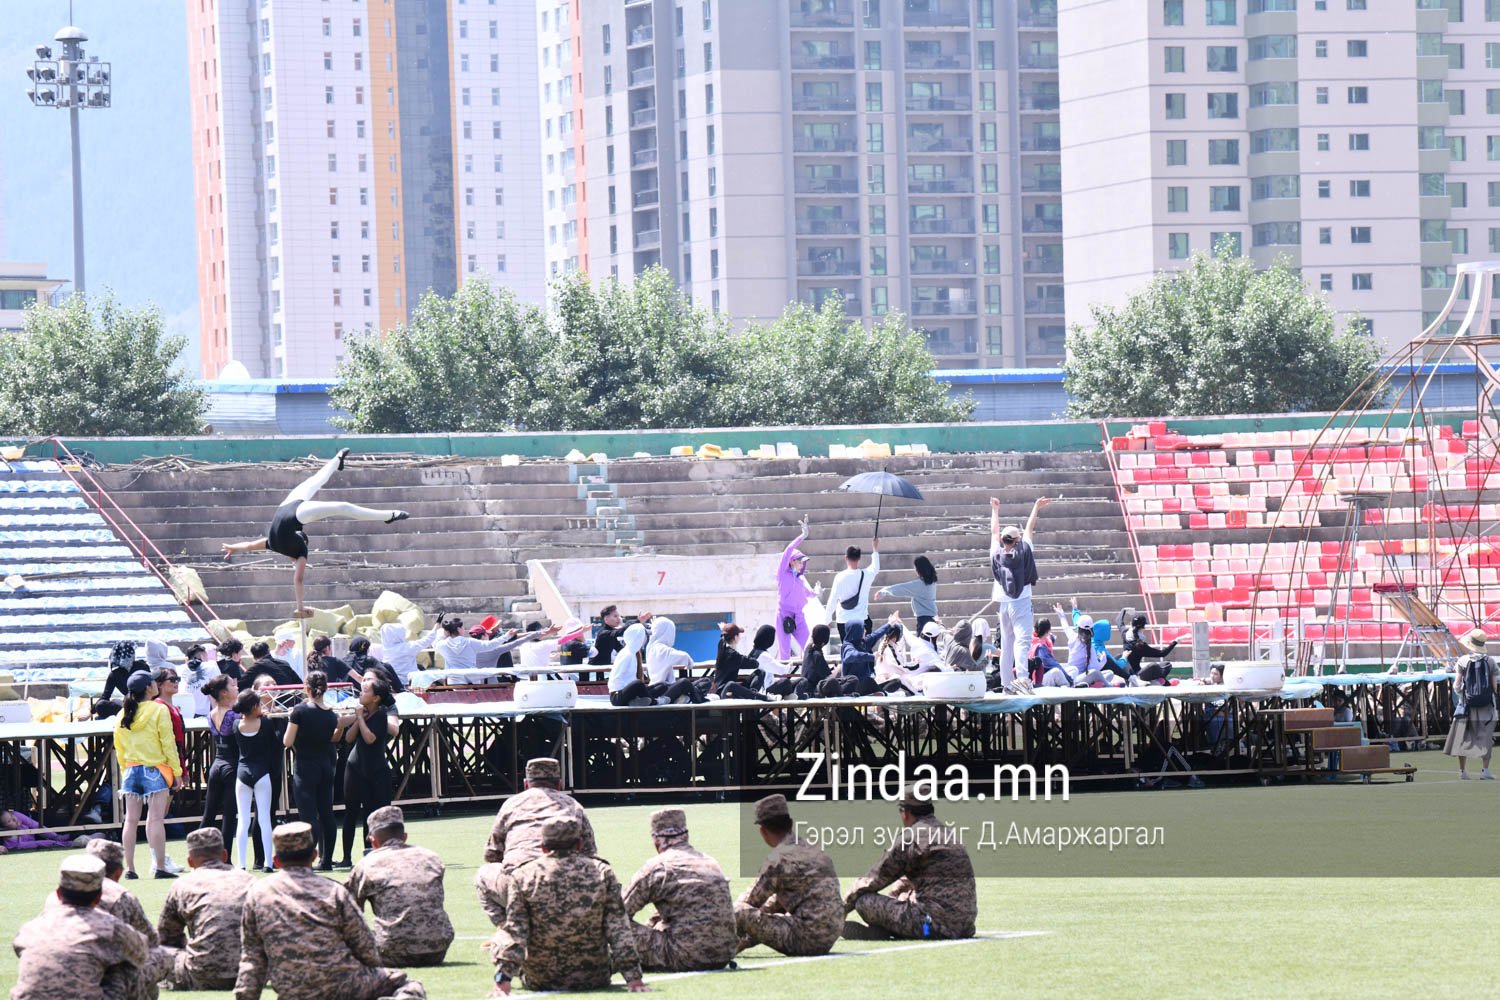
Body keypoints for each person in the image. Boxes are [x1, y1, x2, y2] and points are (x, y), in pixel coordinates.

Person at [235, 822, 425, 1000]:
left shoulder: (257, 894)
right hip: (345, 986)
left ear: (276, 861)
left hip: (294, 991)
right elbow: (366, 948)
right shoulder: (334, 891)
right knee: (410, 986)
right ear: (314, 856)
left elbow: (252, 959)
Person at [220, 449, 410, 619]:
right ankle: (340, 464)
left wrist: (300, 607)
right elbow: (252, 547)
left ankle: (385, 511)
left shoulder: (288, 547)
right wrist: (233, 547)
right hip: (288, 507)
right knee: (322, 488)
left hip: (292, 508)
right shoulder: (278, 545)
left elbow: (295, 577)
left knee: (330, 495)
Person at [489, 816, 648, 995]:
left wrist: (503, 979)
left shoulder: (523, 875)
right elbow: (618, 928)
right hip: (594, 976)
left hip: (540, 979)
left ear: (543, 847)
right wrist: (634, 978)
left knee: (500, 936)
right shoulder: (602, 872)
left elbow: (516, 930)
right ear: (579, 844)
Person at [842, 788, 977, 940]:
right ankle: (889, 930)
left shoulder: (910, 838)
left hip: (932, 927)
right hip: (965, 926)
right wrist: (895, 894)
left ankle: (889, 930)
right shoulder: (948, 834)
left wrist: (842, 909)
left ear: (905, 813)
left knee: (864, 902)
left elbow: (874, 879)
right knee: (905, 896)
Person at [477, 757, 597, 926]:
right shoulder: (574, 805)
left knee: (483, 874)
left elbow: (491, 854)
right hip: (565, 888)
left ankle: (508, 930)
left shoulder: (511, 804)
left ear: (526, 784)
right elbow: (590, 854)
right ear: (559, 784)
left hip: (520, 886)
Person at [12, 855, 148, 1000]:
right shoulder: (110, 927)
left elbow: (19, 948)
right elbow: (141, 953)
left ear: (58, 894)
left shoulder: (30, 928)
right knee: (126, 968)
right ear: (98, 897)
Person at [622, 808, 736, 972]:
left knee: (611, 923)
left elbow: (618, 911)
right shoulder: (711, 862)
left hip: (683, 957)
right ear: (686, 835)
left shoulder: (659, 866)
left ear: (656, 840)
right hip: (724, 954)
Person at [735, 793, 843, 956]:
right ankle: (733, 946)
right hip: (831, 934)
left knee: (740, 911)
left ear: (763, 831)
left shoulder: (778, 859)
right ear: (791, 823)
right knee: (772, 908)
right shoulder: (816, 850)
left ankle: (717, 948)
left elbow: (750, 902)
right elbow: (775, 903)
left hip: (806, 938)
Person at [346, 806, 454, 967]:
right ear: (404, 837)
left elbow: (350, 912)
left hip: (390, 951)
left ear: (373, 841)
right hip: (437, 950)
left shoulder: (366, 864)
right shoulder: (431, 858)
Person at [156, 827, 255, 991]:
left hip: (200, 974)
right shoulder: (250, 880)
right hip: (251, 974)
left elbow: (166, 938)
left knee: (154, 953)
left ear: (190, 861)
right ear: (225, 855)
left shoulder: (182, 885)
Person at [113, 671, 182, 880]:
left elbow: (119, 746)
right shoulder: (159, 709)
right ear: (148, 688)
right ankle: (160, 866)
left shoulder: (122, 713)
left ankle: (130, 868)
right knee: (156, 819)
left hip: (131, 769)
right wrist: (177, 771)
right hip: (155, 768)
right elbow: (168, 743)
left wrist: (125, 769)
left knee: (130, 821)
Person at [990, 496, 1054, 689]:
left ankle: (1007, 684)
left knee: (1007, 645)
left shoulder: (996, 553)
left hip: (1004, 605)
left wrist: (995, 510)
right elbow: (1029, 529)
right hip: (1022, 602)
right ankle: (1023, 679)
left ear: (1003, 540)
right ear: (1017, 540)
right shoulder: (1025, 550)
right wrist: (1036, 507)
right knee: (1023, 641)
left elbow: (994, 532)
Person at [283, 671, 343, 870]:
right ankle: (326, 860)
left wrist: (290, 719)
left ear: (306, 688)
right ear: (325, 689)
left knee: (308, 816)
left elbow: (287, 741)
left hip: (305, 766)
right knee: (327, 814)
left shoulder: (299, 711)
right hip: (326, 765)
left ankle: (306, 859)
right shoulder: (331, 714)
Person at [338, 676, 394, 867]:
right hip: (355, 767)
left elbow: (370, 739)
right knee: (350, 812)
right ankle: (346, 857)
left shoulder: (381, 714)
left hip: (375, 770)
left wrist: (361, 718)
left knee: (371, 813)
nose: (361, 694)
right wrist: (358, 718)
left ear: (376, 698)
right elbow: (349, 738)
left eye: (365, 691)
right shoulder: (363, 713)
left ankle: (369, 854)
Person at [232, 689, 277, 872]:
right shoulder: (265, 723)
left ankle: (241, 864)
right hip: (262, 773)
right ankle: (268, 863)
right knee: (264, 819)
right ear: (255, 706)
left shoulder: (236, 724)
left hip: (242, 773)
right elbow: (274, 744)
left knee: (242, 820)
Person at [1446, 627, 1498, 779]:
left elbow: (1457, 685)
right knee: (1486, 737)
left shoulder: (1462, 661)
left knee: (1462, 736)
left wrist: (1462, 697)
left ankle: (1463, 771)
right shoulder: (1490, 661)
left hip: (1466, 705)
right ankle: (1485, 771)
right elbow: (1494, 686)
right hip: (1486, 706)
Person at [200, 675, 241, 861]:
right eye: (233, 685)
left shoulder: (211, 713)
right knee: (229, 816)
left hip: (216, 765)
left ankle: (197, 854)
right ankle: (226, 859)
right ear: (224, 692)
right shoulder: (233, 715)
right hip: (232, 766)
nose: (236, 686)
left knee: (208, 815)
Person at [775, 516, 820, 658]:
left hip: (799, 618)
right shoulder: (782, 574)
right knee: (785, 653)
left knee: (809, 647)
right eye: (800, 561)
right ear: (791, 561)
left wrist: (816, 592)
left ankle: (808, 670)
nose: (802, 564)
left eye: (803, 562)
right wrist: (802, 536)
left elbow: (809, 593)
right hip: (783, 616)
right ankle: (784, 673)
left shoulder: (800, 580)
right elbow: (789, 549)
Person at [644, 617, 706, 704]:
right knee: (684, 682)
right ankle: (694, 700)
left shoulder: (651, 647)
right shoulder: (660, 648)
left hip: (663, 687)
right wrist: (689, 662)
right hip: (662, 689)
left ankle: (683, 697)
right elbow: (683, 657)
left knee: (703, 682)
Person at [705, 624, 774, 701]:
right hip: (725, 691)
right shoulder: (732, 655)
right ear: (735, 637)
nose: (740, 637)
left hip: (732, 689)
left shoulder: (721, 646)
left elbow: (723, 639)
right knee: (731, 684)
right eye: (739, 634)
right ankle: (761, 697)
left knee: (760, 672)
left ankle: (752, 694)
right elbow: (753, 663)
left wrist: (725, 629)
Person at [830, 540, 880, 641]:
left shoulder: (839, 577)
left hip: (844, 620)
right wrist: (875, 548)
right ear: (859, 558)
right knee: (863, 647)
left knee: (847, 648)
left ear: (846, 557)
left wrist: (827, 620)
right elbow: (875, 567)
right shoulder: (866, 575)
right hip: (861, 619)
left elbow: (833, 600)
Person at [876, 556, 939, 636]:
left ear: (919, 569)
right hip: (932, 619)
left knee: (922, 643)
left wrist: (884, 591)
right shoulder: (932, 582)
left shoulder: (920, 585)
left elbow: (902, 588)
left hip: (924, 621)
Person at [1122, 613, 1179, 684]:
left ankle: (1157, 681)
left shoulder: (1124, 633)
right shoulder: (1140, 646)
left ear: (1131, 624)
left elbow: (1119, 621)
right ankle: (1164, 682)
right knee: (1156, 666)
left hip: (1130, 675)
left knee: (1165, 664)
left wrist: (1124, 611)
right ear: (1143, 627)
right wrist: (1176, 641)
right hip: (1136, 677)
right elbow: (1162, 653)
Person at [606, 622, 654, 706]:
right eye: (644, 636)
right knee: (638, 683)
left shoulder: (634, 653)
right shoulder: (626, 654)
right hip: (618, 695)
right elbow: (616, 678)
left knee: (661, 686)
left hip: (630, 693)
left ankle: (636, 701)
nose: (646, 638)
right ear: (638, 637)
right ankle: (655, 702)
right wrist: (631, 689)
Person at [378, 621, 436, 687]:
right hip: (409, 682)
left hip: (393, 683)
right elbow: (427, 640)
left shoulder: (385, 649)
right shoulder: (407, 648)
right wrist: (436, 625)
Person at [795, 624, 833, 699]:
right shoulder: (817, 655)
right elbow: (828, 676)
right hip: (813, 691)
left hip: (804, 686)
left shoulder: (808, 649)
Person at [181, 645, 222, 717]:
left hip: (183, 711)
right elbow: (216, 690)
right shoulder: (211, 667)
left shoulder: (181, 668)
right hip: (203, 712)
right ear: (202, 656)